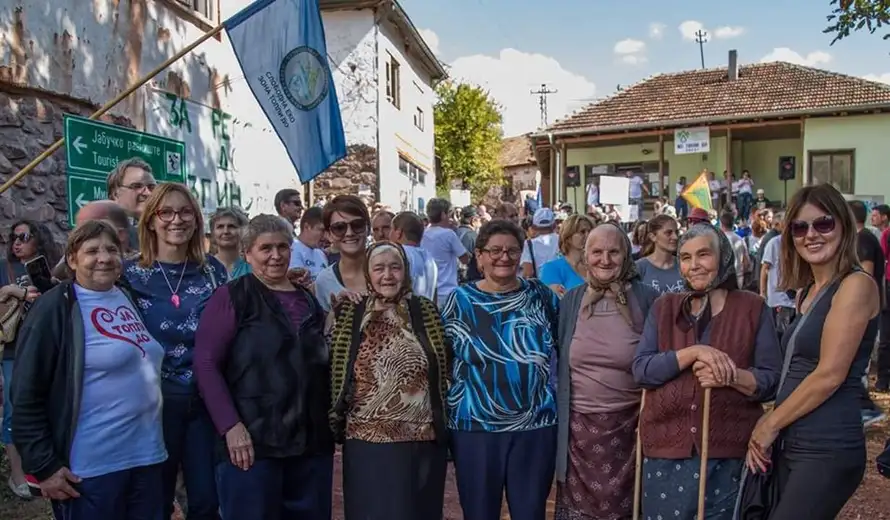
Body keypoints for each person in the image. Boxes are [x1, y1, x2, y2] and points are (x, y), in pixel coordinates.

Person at [13, 221, 166, 518]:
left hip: (147, 458)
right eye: (92, 251)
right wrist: (44, 466)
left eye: (111, 249)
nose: (104, 258)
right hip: (91, 470)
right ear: (72, 259)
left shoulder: (126, 295)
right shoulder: (55, 307)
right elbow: (26, 394)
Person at [746, 184, 880, 518]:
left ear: (844, 227)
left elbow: (829, 374)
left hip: (827, 444)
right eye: (800, 227)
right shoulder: (807, 291)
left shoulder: (856, 285)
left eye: (823, 224)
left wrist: (769, 423)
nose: (811, 235)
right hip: (796, 439)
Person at [633, 223, 781, 520]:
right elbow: (642, 369)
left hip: (727, 455)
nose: (694, 265)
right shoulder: (664, 308)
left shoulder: (753, 308)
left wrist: (729, 375)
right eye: (685, 258)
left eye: (703, 255)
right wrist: (694, 353)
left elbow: (771, 380)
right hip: (665, 453)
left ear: (723, 256)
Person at [194, 215, 332, 519]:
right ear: (248, 253)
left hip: (310, 443)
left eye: (283, 247)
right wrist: (230, 426)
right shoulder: (231, 297)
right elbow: (205, 363)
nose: (276, 255)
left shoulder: (307, 300)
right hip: (253, 444)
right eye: (265, 248)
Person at [442, 219, 559, 520]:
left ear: (522, 254)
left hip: (534, 425)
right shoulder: (460, 300)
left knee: (530, 513)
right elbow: (443, 359)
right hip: (475, 427)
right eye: (494, 250)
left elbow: (562, 344)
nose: (503, 257)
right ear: (479, 256)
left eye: (512, 250)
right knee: (479, 513)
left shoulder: (541, 296)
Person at [122, 183, 226, 520]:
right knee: (155, 500)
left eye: (184, 212)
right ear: (151, 221)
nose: (175, 220)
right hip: (153, 404)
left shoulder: (213, 271)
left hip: (203, 401)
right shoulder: (129, 273)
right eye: (166, 212)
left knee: (207, 500)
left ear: (196, 221)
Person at [329, 241, 449, 520]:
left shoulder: (425, 310)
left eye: (395, 267)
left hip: (421, 438)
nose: (388, 275)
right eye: (379, 268)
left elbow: (443, 366)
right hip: (365, 440)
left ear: (405, 271)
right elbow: (334, 365)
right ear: (368, 273)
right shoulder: (351, 312)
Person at [554, 223, 659, 519]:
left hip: (630, 428)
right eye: (597, 252)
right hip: (578, 433)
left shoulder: (648, 299)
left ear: (627, 255)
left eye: (614, 252)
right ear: (585, 256)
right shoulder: (570, 301)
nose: (605, 259)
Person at [1, 220, 59, 499]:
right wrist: (13, 291)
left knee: (49, 407)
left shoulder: (51, 267)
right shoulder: (4, 268)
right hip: (14, 350)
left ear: (38, 238)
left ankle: (41, 469)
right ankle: (17, 476)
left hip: (49, 347)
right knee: (15, 408)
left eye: (23, 236)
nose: (16, 242)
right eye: (13, 237)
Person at [315, 195, 371, 312]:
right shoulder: (324, 281)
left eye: (357, 225)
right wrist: (336, 310)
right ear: (328, 235)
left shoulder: (389, 271)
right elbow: (323, 328)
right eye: (339, 228)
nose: (349, 233)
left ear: (368, 228)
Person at [421, 198, 469, 307]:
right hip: (448, 291)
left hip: (429, 291)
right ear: (443, 215)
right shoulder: (449, 234)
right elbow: (465, 259)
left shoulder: (423, 234)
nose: (451, 218)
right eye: (450, 214)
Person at [759, 212, 796, 337]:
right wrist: (763, 293)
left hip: (795, 300)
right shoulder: (774, 243)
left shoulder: (797, 242)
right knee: (781, 336)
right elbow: (764, 269)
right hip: (778, 300)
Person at [539, 214, 594, 297]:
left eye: (590, 231)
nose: (588, 235)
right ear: (568, 237)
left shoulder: (596, 266)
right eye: (582, 232)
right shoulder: (551, 268)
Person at [390, 212, 438, 301]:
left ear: (398, 233)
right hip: (426, 312)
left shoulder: (399, 254)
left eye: (391, 229)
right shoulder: (430, 258)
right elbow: (435, 295)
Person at [635, 214, 684, 294]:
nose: (675, 237)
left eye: (676, 232)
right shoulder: (639, 268)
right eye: (668, 233)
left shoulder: (683, 265)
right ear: (653, 237)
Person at [290, 207, 329, 281]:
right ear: (307, 227)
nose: (326, 236)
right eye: (322, 230)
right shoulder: (292, 250)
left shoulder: (321, 253)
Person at [209, 208, 250, 278]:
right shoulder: (204, 267)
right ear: (213, 233)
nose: (226, 231)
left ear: (243, 232)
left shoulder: (252, 267)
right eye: (220, 227)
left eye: (231, 226)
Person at [521, 208, 560, 279]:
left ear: (534, 227)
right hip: (563, 287)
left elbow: (528, 272)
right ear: (554, 225)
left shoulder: (528, 244)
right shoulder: (563, 240)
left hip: (540, 287)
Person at [718, 211, 750, 288]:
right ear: (733, 224)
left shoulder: (717, 240)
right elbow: (746, 262)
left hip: (721, 278)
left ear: (721, 224)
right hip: (738, 277)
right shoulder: (740, 240)